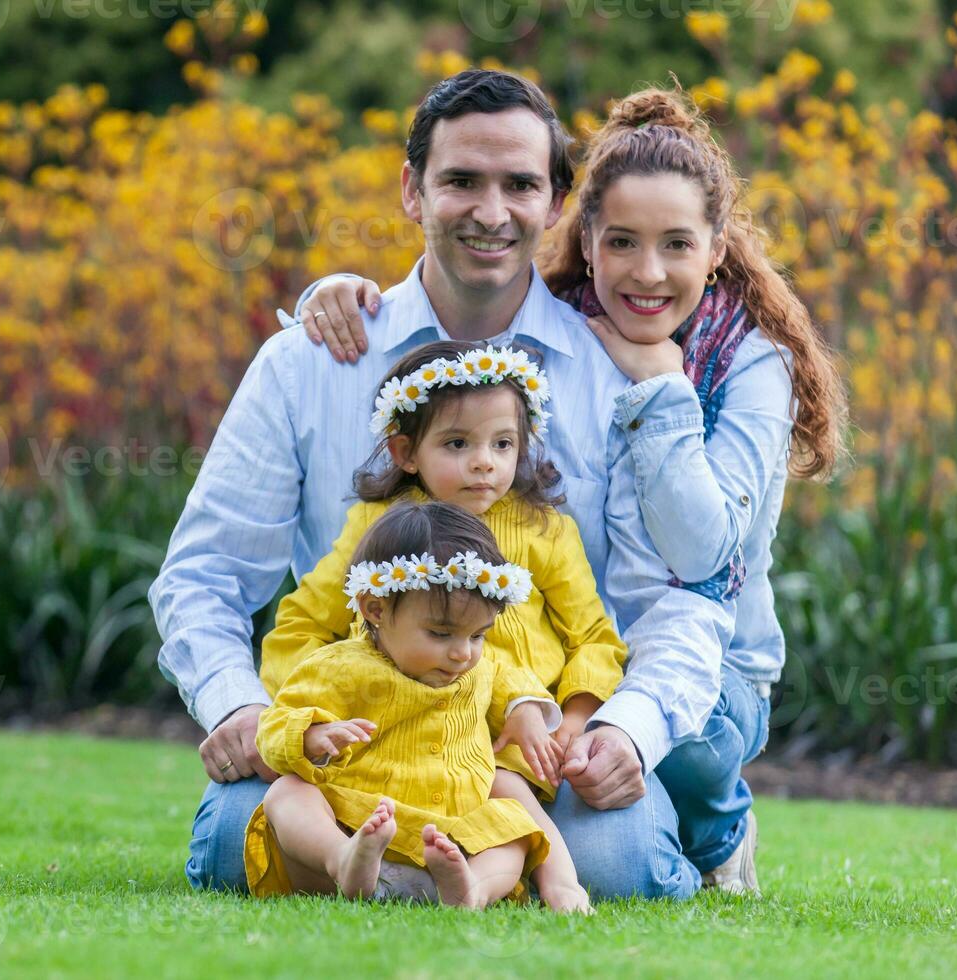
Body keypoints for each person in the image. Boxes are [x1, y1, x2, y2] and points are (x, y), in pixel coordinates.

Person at [150, 68, 731, 903]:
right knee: (231, 839)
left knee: (620, 865)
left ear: (557, 202)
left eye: (520, 185)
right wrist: (240, 709)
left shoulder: (613, 376)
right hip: (358, 738)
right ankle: (435, 868)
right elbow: (203, 576)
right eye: (461, 180)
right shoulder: (309, 361)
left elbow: (667, 601)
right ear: (412, 192)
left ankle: (452, 866)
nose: (491, 212)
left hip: (530, 749)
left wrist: (619, 731)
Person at [291, 86, 847, 893]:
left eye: (677, 245)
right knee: (587, 800)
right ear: (584, 241)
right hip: (581, 679)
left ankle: (716, 824)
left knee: (675, 753)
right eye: (621, 241)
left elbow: (701, 557)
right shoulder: (570, 334)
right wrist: (333, 293)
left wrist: (663, 389)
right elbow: (458, 325)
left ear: (717, 247)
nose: (646, 272)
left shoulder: (746, 366)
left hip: (708, 669)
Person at [259, 339, 623, 910]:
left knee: (514, 809)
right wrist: (314, 721)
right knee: (268, 810)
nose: (485, 461)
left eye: (503, 444)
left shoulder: (543, 530)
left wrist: (568, 721)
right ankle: (347, 857)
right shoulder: (380, 529)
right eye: (458, 443)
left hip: (503, 746)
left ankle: (542, 880)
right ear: (406, 450)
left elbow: (595, 637)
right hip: (381, 746)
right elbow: (302, 625)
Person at [248, 501, 564, 909]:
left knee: (516, 825)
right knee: (286, 793)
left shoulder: (479, 670)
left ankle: (472, 888)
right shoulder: (339, 666)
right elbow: (273, 726)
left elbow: (516, 681)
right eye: (440, 633)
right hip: (358, 824)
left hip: (454, 838)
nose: (462, 654)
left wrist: (524, 711)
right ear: (375, 609)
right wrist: (309, 735)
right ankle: (342, 860)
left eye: (478, 636)